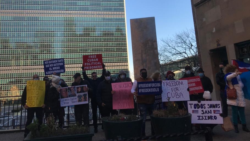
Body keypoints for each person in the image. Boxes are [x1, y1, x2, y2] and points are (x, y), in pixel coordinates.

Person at [224, 64, 249, 133]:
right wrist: (236, 73)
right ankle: (236, 127)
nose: (237, 70)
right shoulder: (228, 75)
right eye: (235, 69)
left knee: (242, 113)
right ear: (232, 70)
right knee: (234, 113)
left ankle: (244, 126)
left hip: (240, 96)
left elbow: (241, 85)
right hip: (233, 97)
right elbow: (228, 77)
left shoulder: (238, 76)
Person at [82, 64, 105, 133]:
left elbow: (103, 75)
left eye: (95, 75)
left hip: (100, 99)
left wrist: (103, 68)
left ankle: (103, 126)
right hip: (93, 99)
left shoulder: (99, 80)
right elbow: (85, 77)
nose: (94, 77)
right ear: (92, 76)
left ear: (96, 76)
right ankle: (95, 128)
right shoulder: (90, 81)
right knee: (94, 114)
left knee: (102, 113)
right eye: (93, 76)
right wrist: (83, 70)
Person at [131, 68, 155, 136]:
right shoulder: (137, 81)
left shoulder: (151, 80)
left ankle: (154, 134)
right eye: (143, 72)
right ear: (140, 73)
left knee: (153, 118)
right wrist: (135, 93)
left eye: (145, 72)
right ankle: (142, 135)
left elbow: (155, 87)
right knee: (143, 119)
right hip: (142, 102)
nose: (144, 73)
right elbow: (132, 90)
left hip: (151, 101)